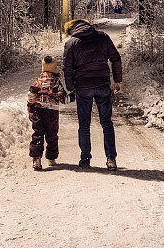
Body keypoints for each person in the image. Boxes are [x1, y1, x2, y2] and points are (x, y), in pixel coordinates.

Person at [62, 19, 122, 170]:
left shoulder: (71, 44)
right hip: (102, 84)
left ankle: (85, 158)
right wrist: (117, 80)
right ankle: (111, 159)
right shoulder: (103, 37)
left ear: (73, 29)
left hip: (83, 87)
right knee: (106, 123)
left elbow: (67, 68)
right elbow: (116, 58)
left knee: (84, 125)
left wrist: (70, 88)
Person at [27, 56, 67, 171]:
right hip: (52, 112)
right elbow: (62, 96)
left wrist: (30, 107)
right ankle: (51, 158)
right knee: (52, 134)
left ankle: (36, 159)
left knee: (38, 134)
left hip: (38, 111)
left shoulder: (38, 81)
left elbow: (31, 95)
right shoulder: (57, 82)